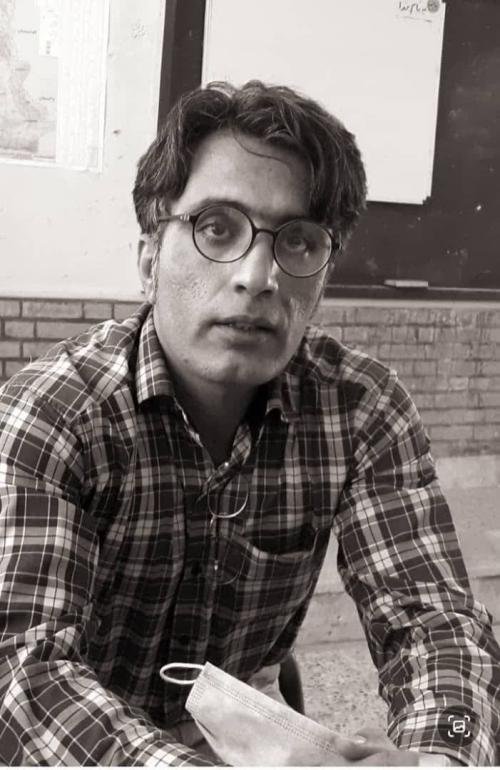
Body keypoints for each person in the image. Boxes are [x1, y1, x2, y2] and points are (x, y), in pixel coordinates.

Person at [0, 80, 498, 767]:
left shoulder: (362, 410)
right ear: (148, 259)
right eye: (216, 228)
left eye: (299, 241)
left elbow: (434, 623)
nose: (258, 276)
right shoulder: (51, 416)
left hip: (245, 727)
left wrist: (445, 752)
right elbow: (24, 674)